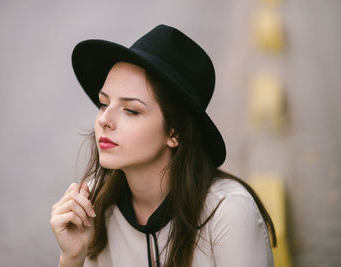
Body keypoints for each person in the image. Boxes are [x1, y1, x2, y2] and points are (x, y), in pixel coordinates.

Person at [50, 24, 276, 267]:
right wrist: (72, 258)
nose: (104, 120)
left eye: (131, 110)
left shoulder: (228, 212)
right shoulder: (93, 206)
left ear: (174, 131)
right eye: (104, 104)